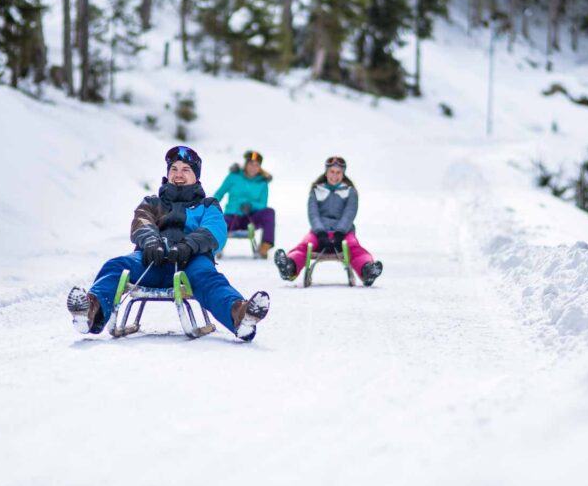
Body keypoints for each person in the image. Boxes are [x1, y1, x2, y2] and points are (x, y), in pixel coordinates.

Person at [67, 145, 270, 341]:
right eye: (174, 169)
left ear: (196, 176)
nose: (178, 174)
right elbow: (141, 223)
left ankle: (239, 313)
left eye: (185, 170)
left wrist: (189, 245)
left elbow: (215, 230)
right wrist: (151, 243)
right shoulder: (152, 203)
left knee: (208, 279)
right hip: (151, 262)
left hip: (191, 265)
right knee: (116, 266)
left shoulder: (207, 205)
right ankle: (90, 309)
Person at [273, 155, 383, 287]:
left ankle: (367, 269)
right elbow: (313, 214)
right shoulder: (316, 191)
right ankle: (289, 266)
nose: (334, 175)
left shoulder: (350, 192)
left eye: (338, 172)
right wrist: (320, 233)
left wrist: (340, 233)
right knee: (305, 245)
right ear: (326, 172)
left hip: (343, 232)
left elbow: (349, 213)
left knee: (353, 247)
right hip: (319, 232)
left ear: (343, 174)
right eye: (332, 171)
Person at [213, 150, 276, 258]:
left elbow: (263, 204)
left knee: (269, 212)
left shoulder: (262, 182)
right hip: (232, 216)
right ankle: (216, 246)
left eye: (257, 165)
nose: (253, 167)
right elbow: (219, 193)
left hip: (250, 218)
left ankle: (264, 247)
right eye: (251, 164)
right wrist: (212, 205)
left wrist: (251, 205)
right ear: (246, 165)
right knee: (219, 222)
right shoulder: (233, 177)